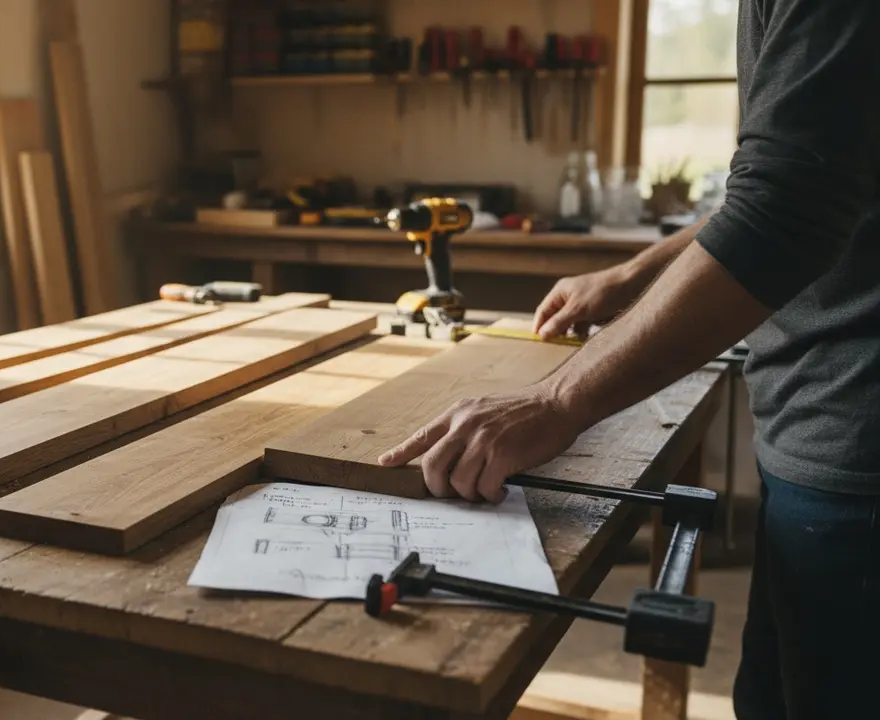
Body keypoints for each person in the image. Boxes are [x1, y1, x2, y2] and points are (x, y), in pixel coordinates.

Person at [374, 2, 879, 718]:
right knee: (773, 697)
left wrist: (554, 403)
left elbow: (790, 206)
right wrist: (633, 276)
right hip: (817, 423)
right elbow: (791, 175)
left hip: (856, 448)